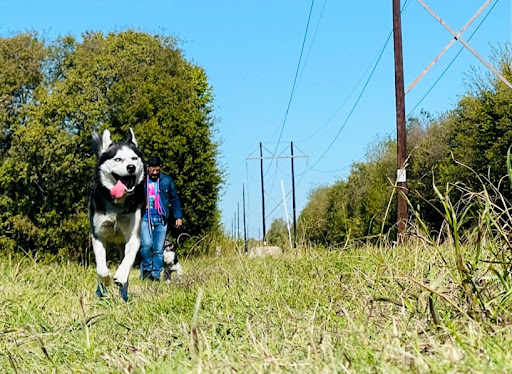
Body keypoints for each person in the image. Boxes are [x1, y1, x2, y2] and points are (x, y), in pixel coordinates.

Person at [139, 156, 183, 281]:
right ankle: (147, 269)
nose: (154, 173)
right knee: (146, 245)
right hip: (145, 217)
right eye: (152, 170)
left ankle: (156, 276)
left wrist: (178, 216)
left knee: (158, 250)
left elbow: (174, 199)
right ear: (147, 168)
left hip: (161, 218)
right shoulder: (142, 181)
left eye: (157, 170)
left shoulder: (167, 181)